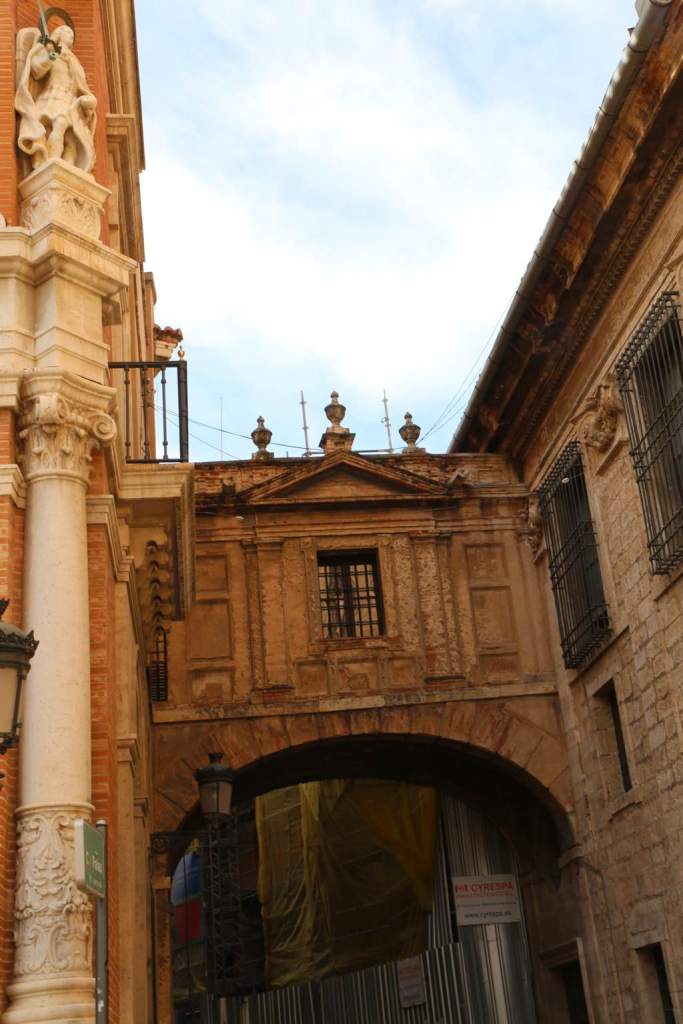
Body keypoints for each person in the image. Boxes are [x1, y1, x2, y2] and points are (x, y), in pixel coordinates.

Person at [15, 23, 97, 175]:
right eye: (66, 31)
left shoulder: (75, 62)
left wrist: (89, 99)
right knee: (59, 124)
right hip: (53, 96)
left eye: (71, 33)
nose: (70, 34)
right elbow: (36, 70)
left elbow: (82, 86)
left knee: (72, 141)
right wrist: (50, 57)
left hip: (70, 100)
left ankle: (68, 170)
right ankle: (52, 161)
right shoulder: (51, 51)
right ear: (58, 34)